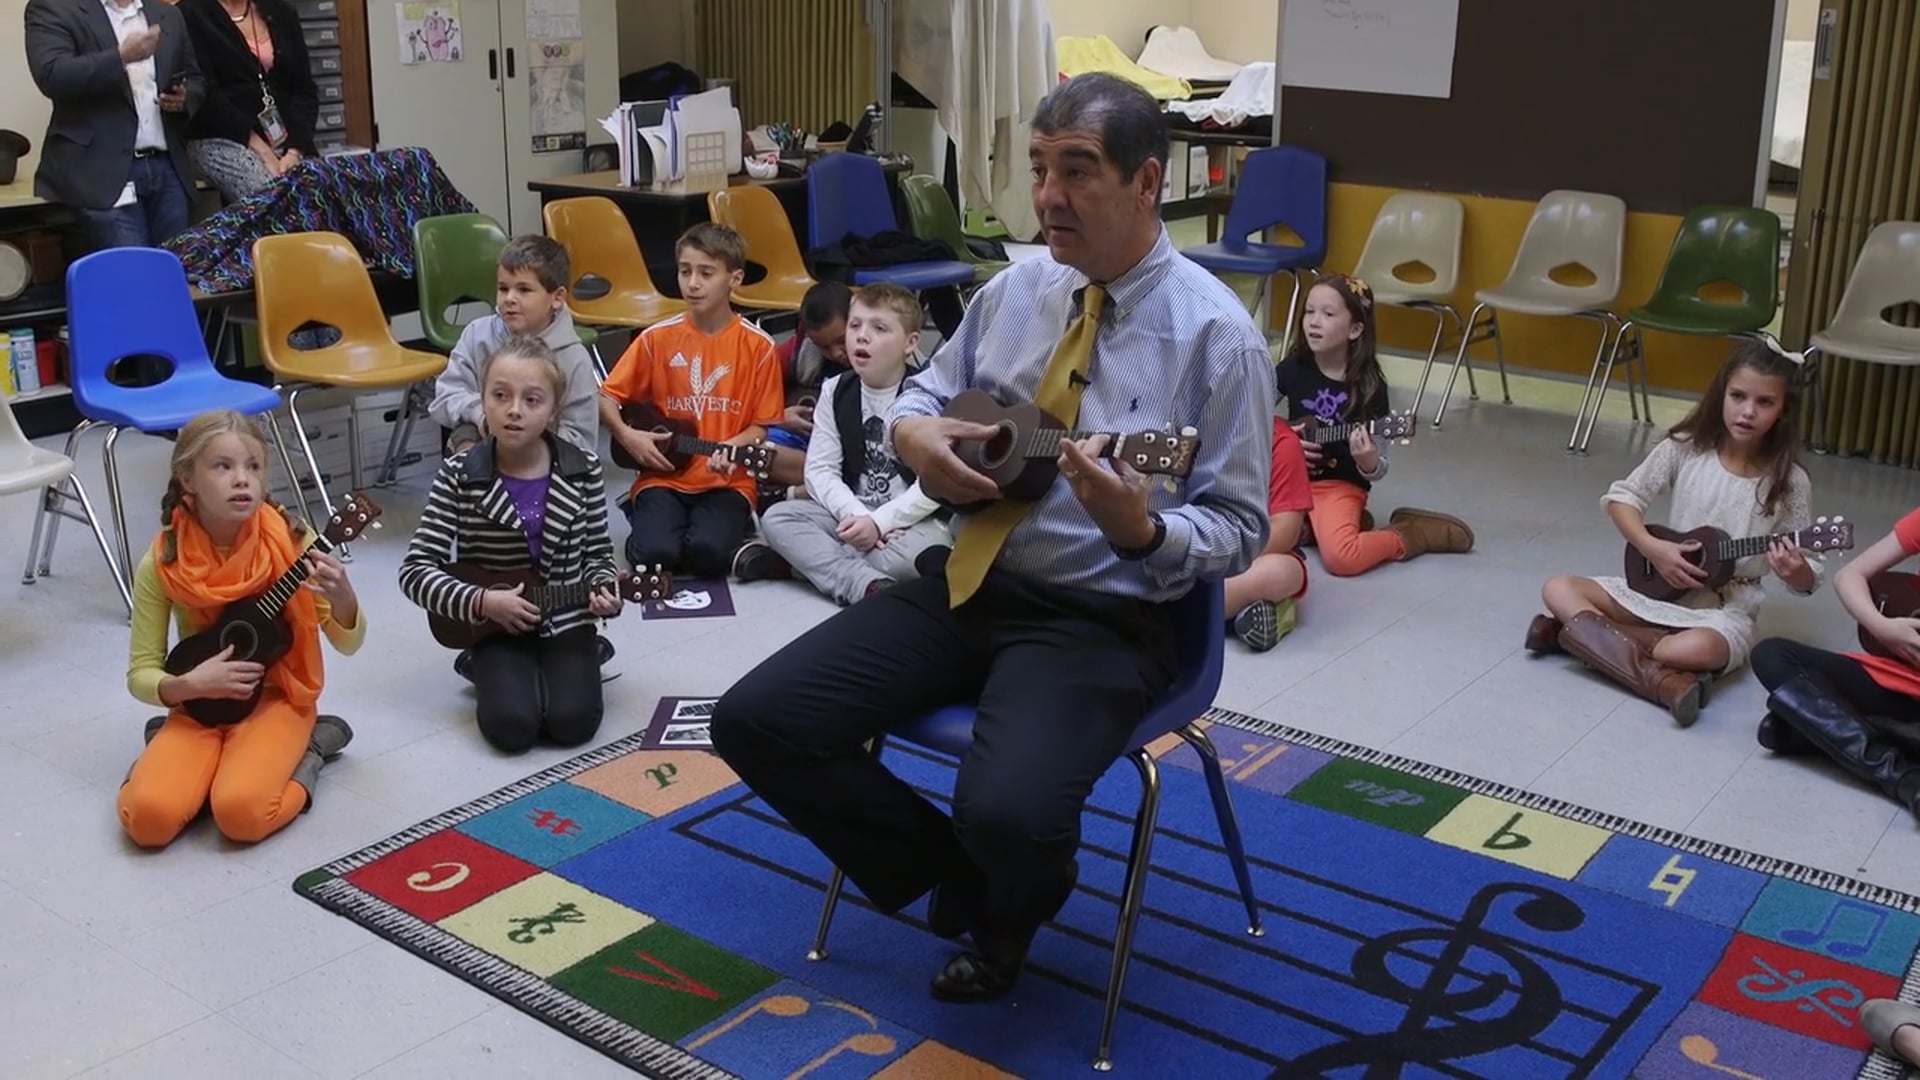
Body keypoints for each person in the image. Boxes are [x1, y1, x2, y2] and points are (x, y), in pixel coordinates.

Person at [709, 72, 1273, 1002]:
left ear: (1147, 183)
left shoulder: (1218, 338)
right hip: (968, 579)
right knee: (758, 720)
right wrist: (914, 431)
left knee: (1007, 808)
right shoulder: (1017, 290)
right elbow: (931, 392)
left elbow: (1239, 528)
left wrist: (1144, 531)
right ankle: (974, 882)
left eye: (1078, 170)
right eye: (1040, 168)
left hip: (1107, 615)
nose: (1047, 195)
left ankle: (1008, 894)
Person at [1527, 340, 1819, 726]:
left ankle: (1580, 635)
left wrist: (1795, 570)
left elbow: (1808, 573)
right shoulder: (1686, 448)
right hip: (1659, 588)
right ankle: (1659, 680)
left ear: (1783, 410)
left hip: (1721, 609)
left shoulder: (1790, 482)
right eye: (1738, 396)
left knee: (1696, 650)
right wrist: (1654, 548)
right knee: (1558, 587)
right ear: (1720, 395)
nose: (1748, 411)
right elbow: (1623, 498)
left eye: (1765, 402)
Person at [118, 410, 361, 848]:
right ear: (187, 479)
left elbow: (349, 642)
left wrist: (344, 597)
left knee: (241, 816)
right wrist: (187, 686)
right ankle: (182, 756)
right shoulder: (162, 563)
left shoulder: (292, 543)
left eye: (253, 466)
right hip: (199, 700)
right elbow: (141, 674)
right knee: (148, 822)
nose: (242, 480)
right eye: (223, 466)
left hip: (277, 700)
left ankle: (310, 751)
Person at [399, 338, 623, 754]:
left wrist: (605, 588)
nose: (514, 409)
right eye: (500, 395)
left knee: (572, 725)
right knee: (512, 730)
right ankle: (483, 663)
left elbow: (598, 554)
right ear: (483, 399)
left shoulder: (583, 468)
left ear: (553, 410)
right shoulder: (459, 474)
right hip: (496, 624)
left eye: (532, 399)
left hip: (567, 618)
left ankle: (581, 656)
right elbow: (415, 570)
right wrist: (482, 602)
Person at [739, 282, 950, 600]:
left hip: (912, 521)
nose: (862, 336)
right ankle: (863, 583)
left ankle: (806, 566)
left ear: (910, 343)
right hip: (851, 512)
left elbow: (938, 482)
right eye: (855, 325)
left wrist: (880, 523)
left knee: (922, 557)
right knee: (779, 518)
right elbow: (820, 470)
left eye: (879, 328)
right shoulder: (835, 389)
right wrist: (857, 516)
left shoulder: (928, 394)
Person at [599, 222, 783, 579]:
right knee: (654, 556)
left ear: (735, 279)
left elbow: (761, 427)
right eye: (685, 271)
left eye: (706, 273)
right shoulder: (656, 338)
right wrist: (626, 435)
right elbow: (607, 396)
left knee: (707, 557)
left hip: (728, 482)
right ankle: (653, 520)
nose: (693, 283)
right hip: (664, 476)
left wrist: (732, 446)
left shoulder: (759, 347)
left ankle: (713, 531)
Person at [1275, 272, 1473, 576]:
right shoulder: (1294, 366)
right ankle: (1319, 526)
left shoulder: (1370, 387)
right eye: (1309, 312)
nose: (1314, 321)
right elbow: (1252, 414)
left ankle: (1409, 534)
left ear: (1355, 329)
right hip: (1289, 478)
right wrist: (1285, 440)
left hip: (1336, 485)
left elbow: (1379, 466)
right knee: (1245, 527)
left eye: (1328, 314)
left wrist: (1367, 462)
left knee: (1343, 559)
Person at [1749, 508, 1920, 817]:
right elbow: (1849, 576)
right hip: (1904, 680)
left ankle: (1814, 730)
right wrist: (1884, 628)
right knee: (1772, 655)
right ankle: (1902, 774)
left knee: (1790, 715)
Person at [24, 0, 204, 251]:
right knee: (129, 279)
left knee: (171, 276)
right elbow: (52, 75)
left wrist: (185, 98)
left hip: (168, 169)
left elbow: (195, 78)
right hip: (103, 172)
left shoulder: (167, 13)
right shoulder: (54, 7)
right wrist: (121, 57)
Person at [430, 235, 598, 457]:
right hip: (485, 440)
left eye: (524, 290)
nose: (509, 298)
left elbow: (583, 442)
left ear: (557, 298)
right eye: (503, 288)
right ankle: (471, 488)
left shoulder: (575, 359)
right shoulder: (476, 335)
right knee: (464, 437)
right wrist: (482, 415)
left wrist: (527, 440)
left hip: (548, 463)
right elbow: (445, 396)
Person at [177, 0, 317, 202]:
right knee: (276, 199)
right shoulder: (190, 13)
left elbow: (304, 89)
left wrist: (294, 151)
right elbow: (206, 95)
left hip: (286, 138)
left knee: (322, 195)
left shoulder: (281, 11)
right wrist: (263, 152)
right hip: (221, 136)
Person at [1227, 417, 1313, 652]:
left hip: (1252, 553)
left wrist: (1223, 555)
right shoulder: (1182, 434)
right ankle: (1238, 612)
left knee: (1283, 572)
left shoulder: (1282, 442)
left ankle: (1200, 612)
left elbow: (1284, 532)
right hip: (1189, 549)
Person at [764, 280, 853, 496]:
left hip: (850, 454)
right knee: (753, 450)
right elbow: (744, 395)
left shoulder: (880, 356)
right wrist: (778, 417)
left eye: (841, 341)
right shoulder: (797, 354)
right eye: (824, 346)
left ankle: (792, 494)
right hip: (803, 448)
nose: (836, 353)